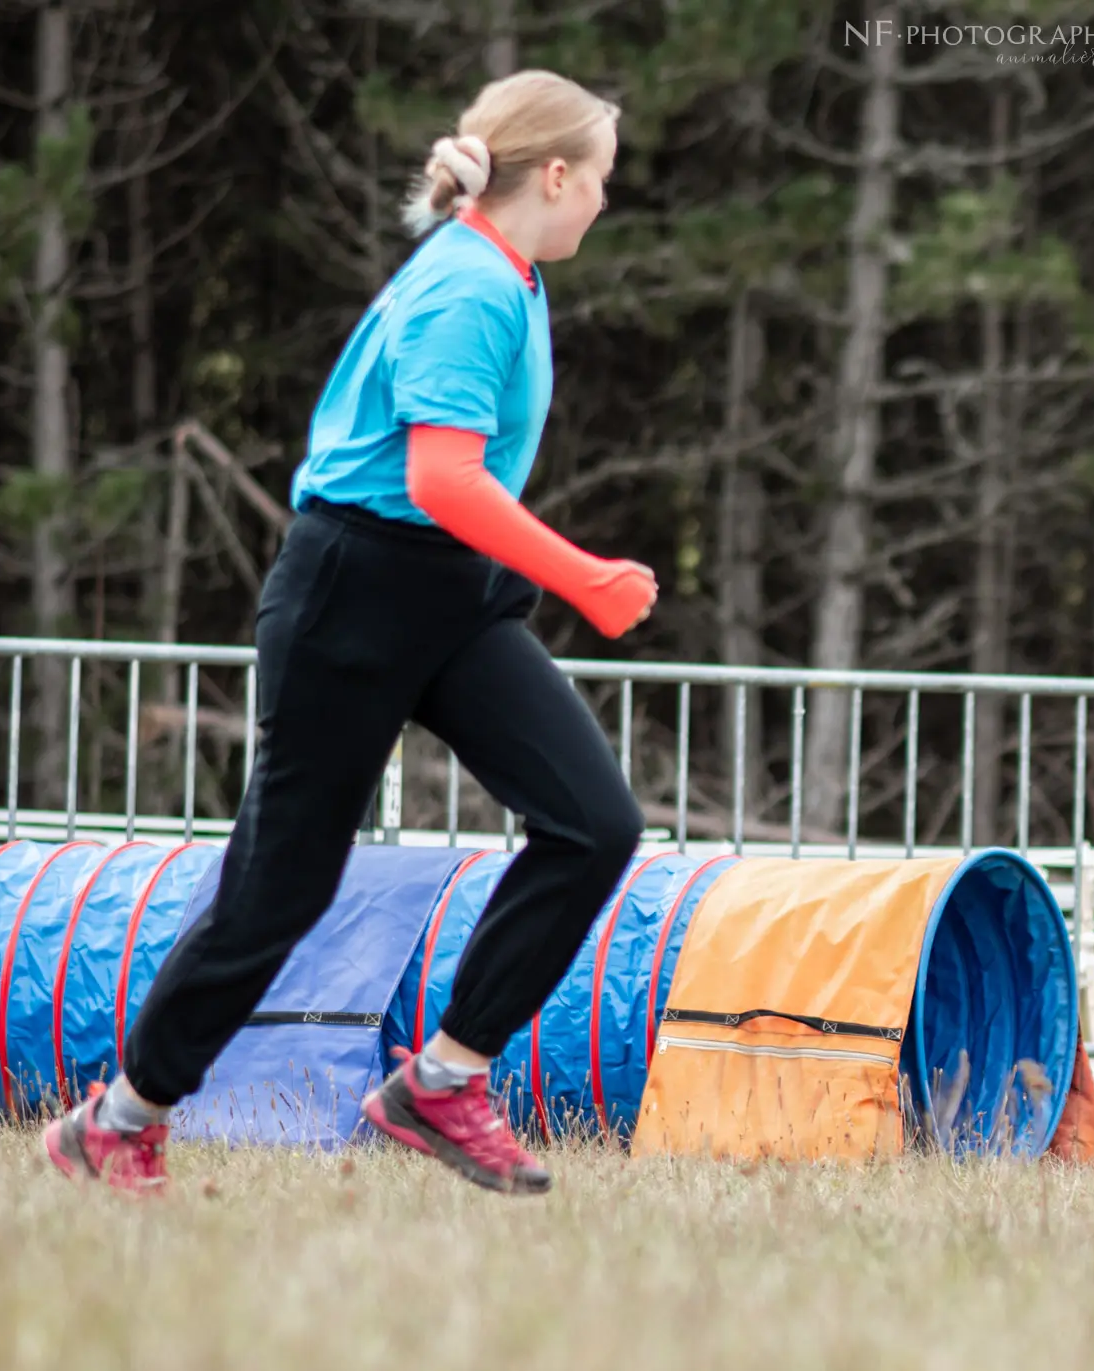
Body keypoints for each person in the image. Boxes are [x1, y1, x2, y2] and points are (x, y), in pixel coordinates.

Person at [41, 70, 655, 1197]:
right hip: (352, 597)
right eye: (602, 181)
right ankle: (119, 1118)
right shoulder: (467, 288)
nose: (604, 204)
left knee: (592, 824)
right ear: (555, 175)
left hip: (452, 601)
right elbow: (441, 478)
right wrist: (586, 578)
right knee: (282, 887)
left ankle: (443, 1079)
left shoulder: (502, 270)